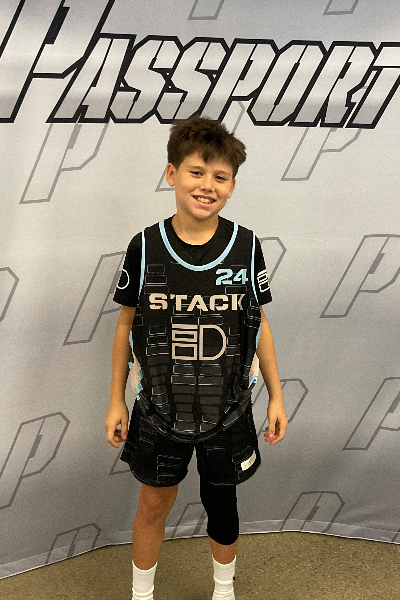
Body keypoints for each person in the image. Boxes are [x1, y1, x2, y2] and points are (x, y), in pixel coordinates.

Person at [105, 116, 288, 600]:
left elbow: (259, 324)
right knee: (153, 503)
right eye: (196, 172)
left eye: (220, 177)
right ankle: (141, 595)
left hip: (228, 408)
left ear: (232, 185)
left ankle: (223, 592)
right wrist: (116, 400)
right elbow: (125, 326)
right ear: (172, 174)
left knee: (221, 502)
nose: (208, 185)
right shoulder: (145, 246)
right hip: (159, 408)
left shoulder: (246, 246)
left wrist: (276, 395)